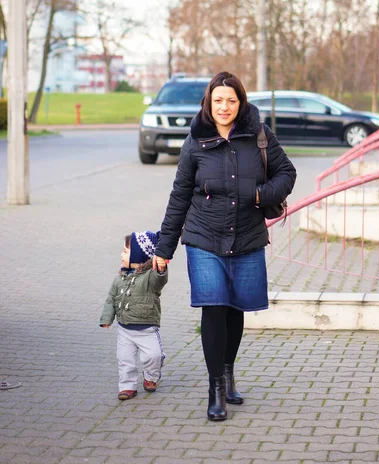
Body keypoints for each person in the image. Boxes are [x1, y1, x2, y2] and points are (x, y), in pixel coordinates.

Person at [152, 71, 296, 421]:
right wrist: (164, 246)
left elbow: (286, 173)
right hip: (204, 237)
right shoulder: (195, 141)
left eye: (231, 100)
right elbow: (180, 195)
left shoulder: (259, 135)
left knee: (235, 309)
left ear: (241, 102)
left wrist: (261, 194)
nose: (225, 106)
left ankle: (229, 372)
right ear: (208, 102)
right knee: (214, 307)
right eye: (218, 100)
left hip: (247, 235)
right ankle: (215, 387)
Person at [100, 231, 168, 401]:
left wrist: (161, 267)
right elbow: (111, 299)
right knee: (125, 360)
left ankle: (151, 377)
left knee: (154, 356)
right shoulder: (120, 278)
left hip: (147, 329)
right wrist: (107, 319)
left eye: (125, 251)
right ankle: (127, 386)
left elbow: (160, 279)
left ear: (139, 254)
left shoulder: (150, 277)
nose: (121, 255)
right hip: (125, 329)